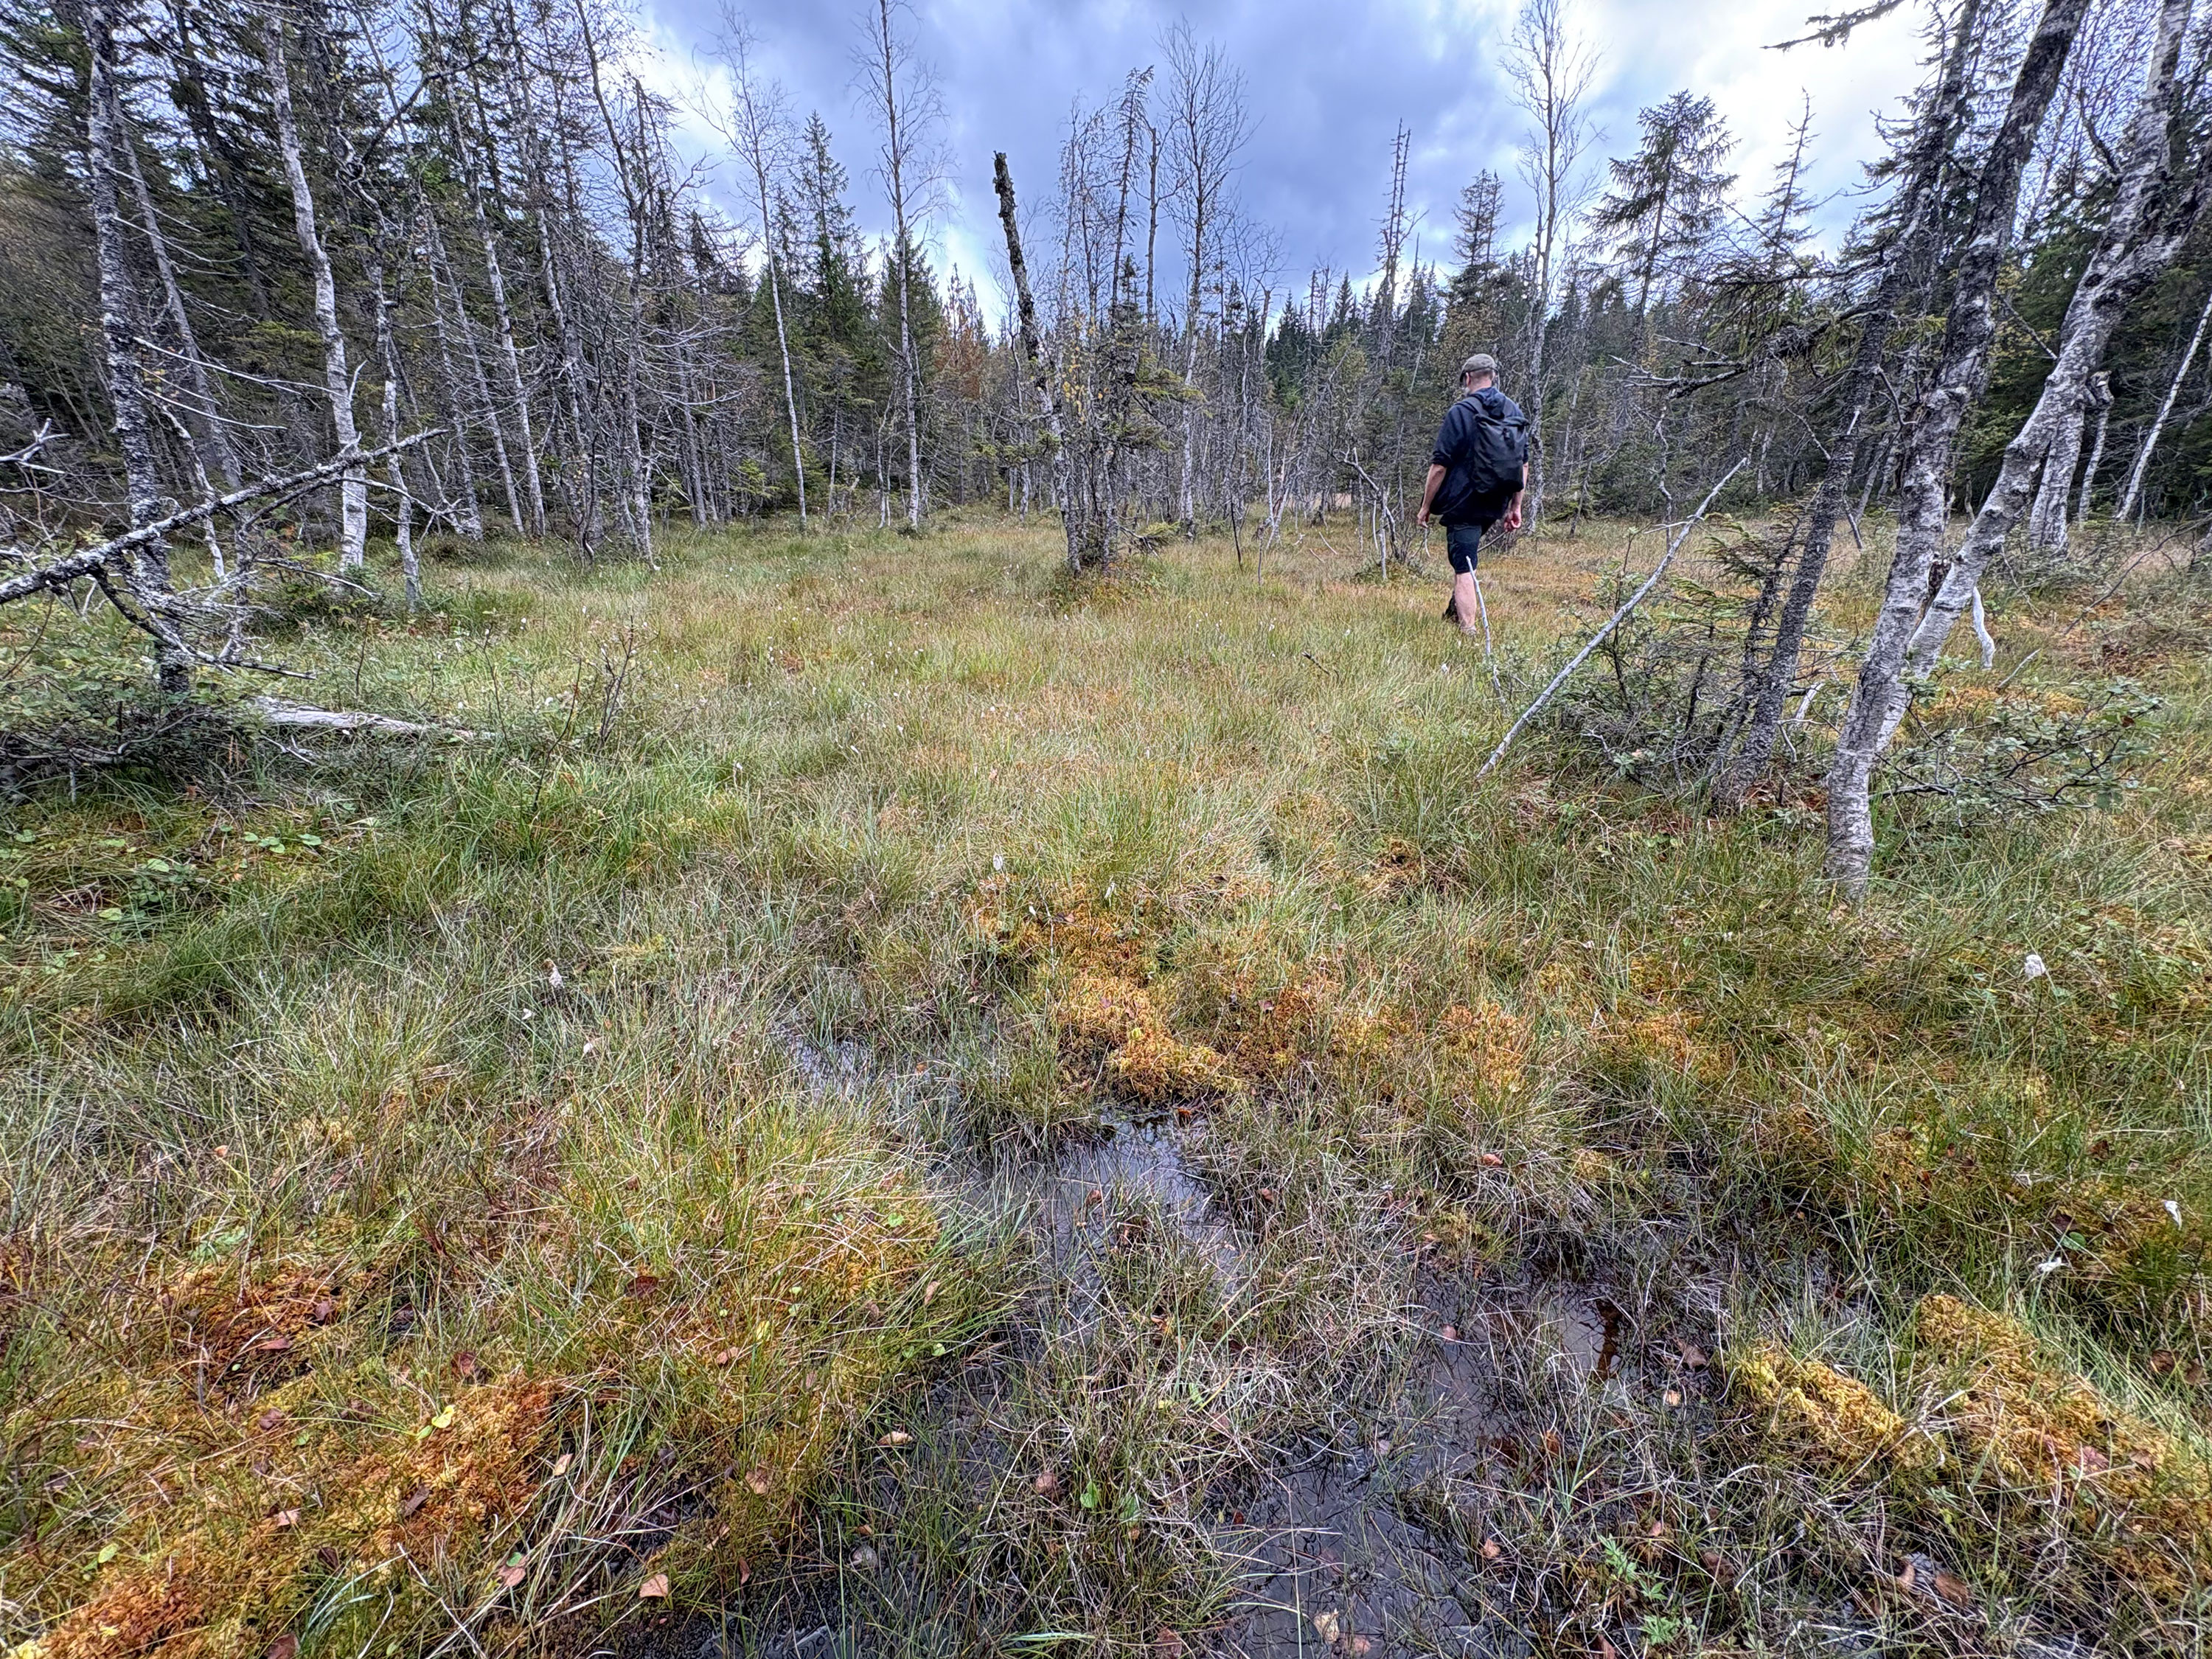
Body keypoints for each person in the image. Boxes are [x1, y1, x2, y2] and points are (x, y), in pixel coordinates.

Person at [1415, 354, 1528, 636]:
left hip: (1464, 503)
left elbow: (1439, 466)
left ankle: (1469, 632)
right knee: (1466, 556)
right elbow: (1523, 464)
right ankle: (1453, 615)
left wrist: (1426, 506)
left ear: (1467, 379)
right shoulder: (1513, 410)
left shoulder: (1461, 412)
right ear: (1493, 377)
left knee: (1464, 567)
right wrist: (1515, 506)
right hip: (1496, 501)